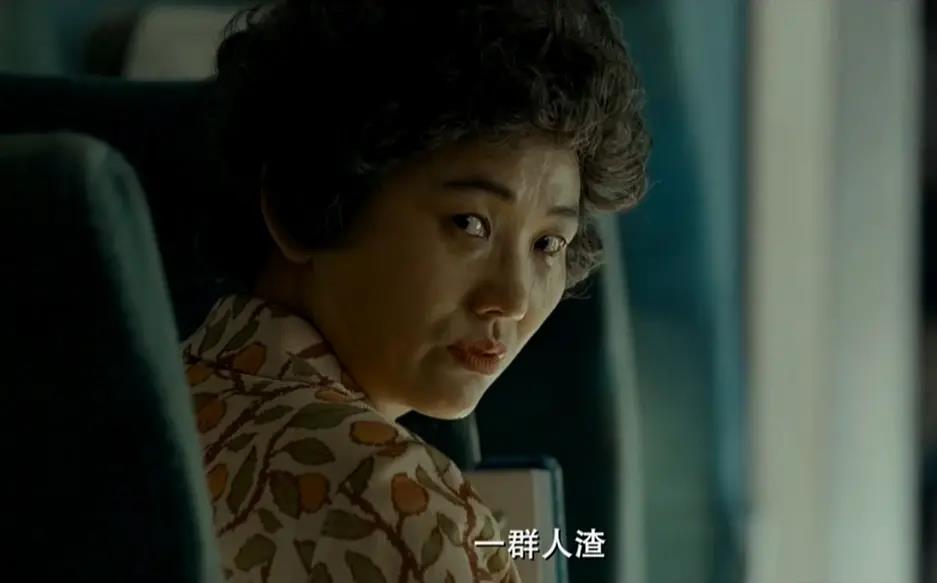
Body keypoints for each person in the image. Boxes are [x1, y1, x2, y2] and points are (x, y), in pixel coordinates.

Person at [181, 0, 649, 580]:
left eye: (548, 244)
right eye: (469, 224)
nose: (513, 299)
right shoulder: (407, 514)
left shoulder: (150, 411)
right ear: (302, 203)